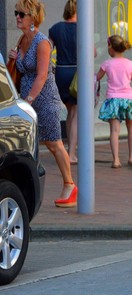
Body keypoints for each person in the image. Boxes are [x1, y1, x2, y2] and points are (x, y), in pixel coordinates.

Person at [10, 0, 77, 207]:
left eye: (22, 14)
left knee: (54, 142)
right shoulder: (22, 40)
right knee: (29, 144)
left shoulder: (42, 43)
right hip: (27, 99)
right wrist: (15, 58)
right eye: (16, 13)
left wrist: (28, 100)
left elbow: (41, 76)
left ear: (33, 17)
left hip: (45, 99)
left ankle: (69, 184)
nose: (18, 17)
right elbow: (22, 70)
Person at [96, 35, 132, 168]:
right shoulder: (130, 64)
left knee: (114, 130)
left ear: (111, 47)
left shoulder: (107, 63)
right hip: (127, 99)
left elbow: (97, 77)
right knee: (131, 127)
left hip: (113, 99)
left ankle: (116, 159)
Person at [48, 0, 77, 164]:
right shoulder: (82, 28)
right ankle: (71, 153)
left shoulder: (55, 28)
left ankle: (68, 149)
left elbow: (48, 47)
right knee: (76, 113)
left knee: (69, 111)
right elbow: (92, 52)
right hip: (77, 73)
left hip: (61, 72)